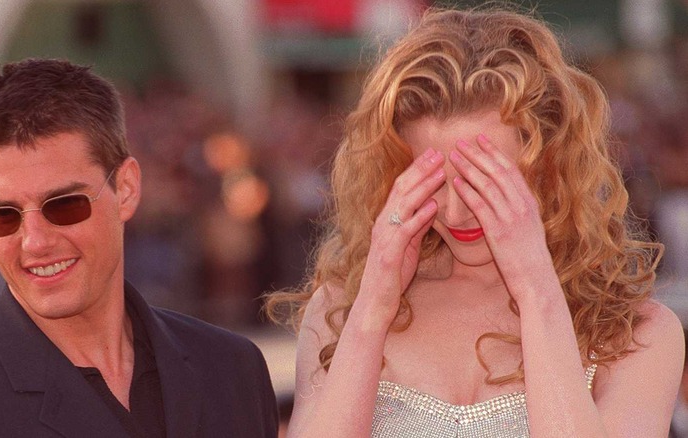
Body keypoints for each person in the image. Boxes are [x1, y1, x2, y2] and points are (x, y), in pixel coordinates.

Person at [267, 6, 684, 437]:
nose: (455, 212)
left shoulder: (635, 333)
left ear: (550, 164)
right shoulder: (341, 309)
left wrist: (537, 291)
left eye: (483, 182)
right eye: (432, 182)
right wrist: (372, 306)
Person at [0, 58, 279, 437]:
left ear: (127, 190)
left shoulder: (233, 371)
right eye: (2, 215)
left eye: (64, 205)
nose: (35, 242)